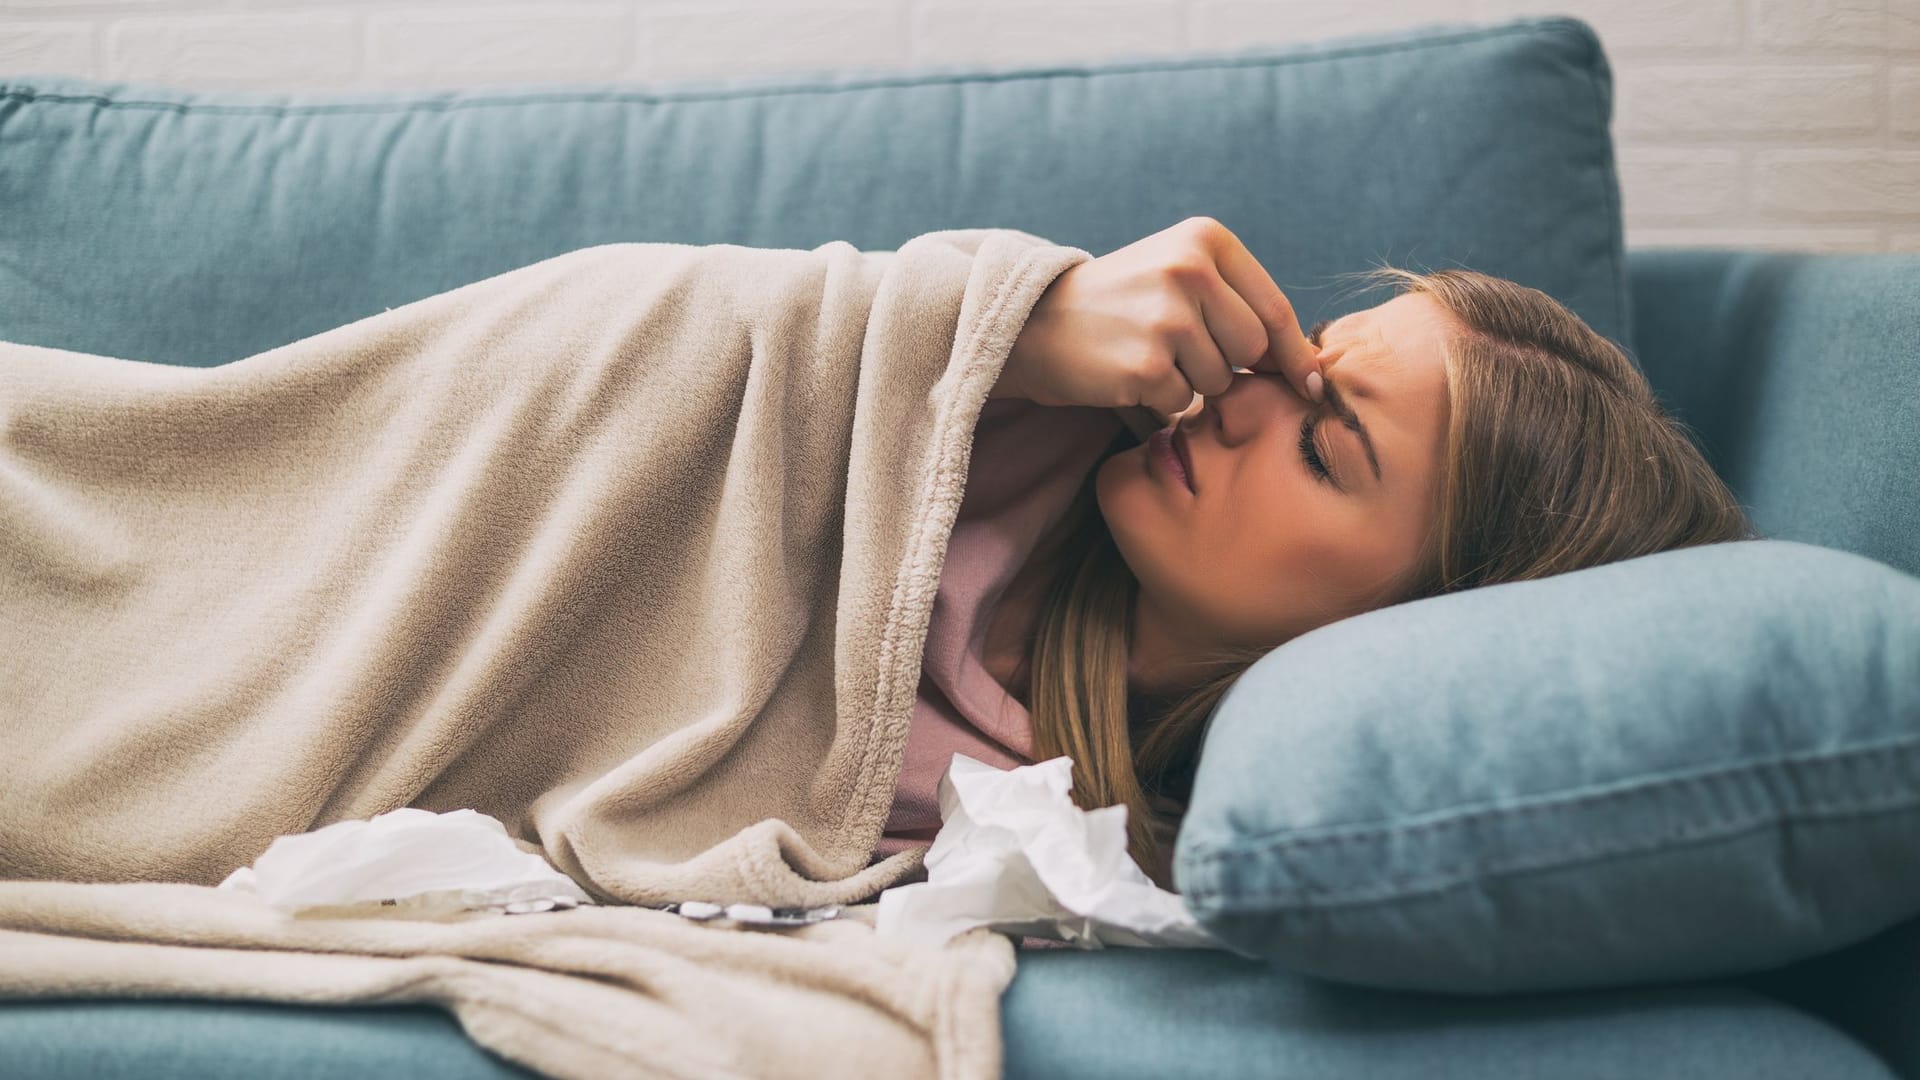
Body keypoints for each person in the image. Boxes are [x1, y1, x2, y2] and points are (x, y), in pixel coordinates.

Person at [882, 217, 1756, 891]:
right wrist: (1007, 332)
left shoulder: (1105, 850)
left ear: (1412, 626)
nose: (1233, 397)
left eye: (1319, 452)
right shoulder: (1009, 407)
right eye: (1301, 359)